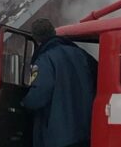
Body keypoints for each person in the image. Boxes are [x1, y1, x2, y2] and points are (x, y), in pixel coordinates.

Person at [21, 18, 97, 147]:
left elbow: (40, 92)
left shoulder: (45, 59)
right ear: (54, 32)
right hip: (86, 131)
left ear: (37, 39)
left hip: (58, 134)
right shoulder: (81, 54)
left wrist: (25, 103)